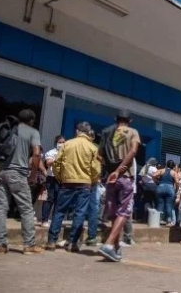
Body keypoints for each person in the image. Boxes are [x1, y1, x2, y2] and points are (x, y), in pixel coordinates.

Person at [0, 109, 44, 254]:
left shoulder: (8, 129)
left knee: (1, 207)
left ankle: (0, 244)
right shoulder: (33, 132)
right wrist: (33, 175)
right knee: (26, 209)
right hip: (18, 174)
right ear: (32, 120)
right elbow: (36, 153)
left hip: (2, 172)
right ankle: (29, 245)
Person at [45, 122, 100, 252]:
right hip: (85, 183)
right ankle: (72, 243)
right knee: (80, 213)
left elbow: (57, 163)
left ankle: (52, 241)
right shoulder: (92, 147)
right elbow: (95, 169)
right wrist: (90, 181)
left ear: (77, 131)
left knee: (59, 211)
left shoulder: (67, 144)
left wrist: (60, 177)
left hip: (67, 182)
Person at [98, 110, 140, 262]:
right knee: (124, 212)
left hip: (111, 179)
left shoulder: (108, 133)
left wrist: (111, 169)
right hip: (125, 177)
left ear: (116, 119)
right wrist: (119, 169)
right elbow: (133, 150)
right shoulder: (132, 132)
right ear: (130, 120)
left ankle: (115, 249)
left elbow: (99, 155)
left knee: (114, 213)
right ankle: (109, 244)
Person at [40, 135, 65, 227]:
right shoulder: (51, 152)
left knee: (59, 200)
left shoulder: (67, 153)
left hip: (62, 179)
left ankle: (55, 220)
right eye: (60, 142)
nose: (61, 144)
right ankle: (44, 219)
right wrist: (59, 159)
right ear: (56, 143)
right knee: (49, 199)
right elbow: (49, 162)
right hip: (51, 178)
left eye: (63, 142)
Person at [152, 160, 180, 226]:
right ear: (173, 166)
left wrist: (156, 182)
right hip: (170, 188)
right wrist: (176, 190)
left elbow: (153, 175)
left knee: (160, 204)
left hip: (160, 187)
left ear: (166, 164)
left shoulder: (162, 170)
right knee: (169, 205)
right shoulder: (174, 172)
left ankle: (158, 220)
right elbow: (177, 182)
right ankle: (168, 221)